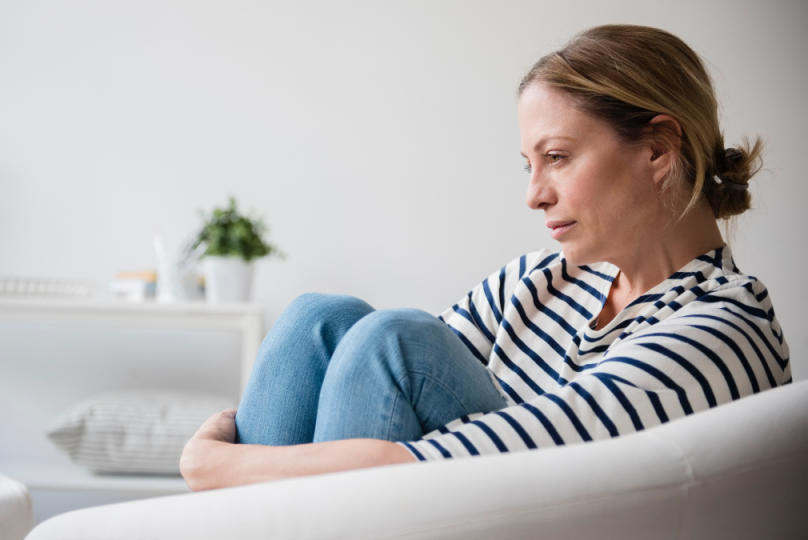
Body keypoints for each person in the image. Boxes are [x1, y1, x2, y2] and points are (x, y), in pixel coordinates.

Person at [179, 24, 791, 491]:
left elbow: (496, 453)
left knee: (395, 340)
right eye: (529, 166)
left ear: (657, 150)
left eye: (557, 157)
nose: (534, 195)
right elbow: (377, 398)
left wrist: (219, 465)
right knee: (320, 318)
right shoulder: (536, 281)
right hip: (452, 506)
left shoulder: (723, 329)